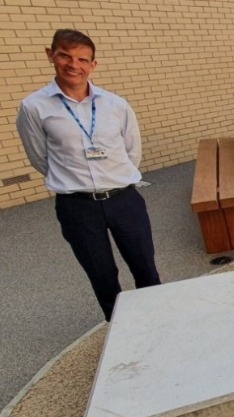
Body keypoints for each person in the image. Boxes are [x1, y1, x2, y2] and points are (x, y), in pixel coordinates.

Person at [16, 29, 160, 321]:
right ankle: (120, 332)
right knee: (102, 275)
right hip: (77, 206)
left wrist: (113, 179)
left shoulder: (115, 104)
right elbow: (40, 158)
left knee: (146, 267)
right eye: (65, 56)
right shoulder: (34, 107)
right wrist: (75, 180)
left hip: (124, 200)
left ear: (93, 65)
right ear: (50, 55)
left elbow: (132, 151)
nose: (74, 65)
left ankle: (158, 324)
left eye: (83, 59)